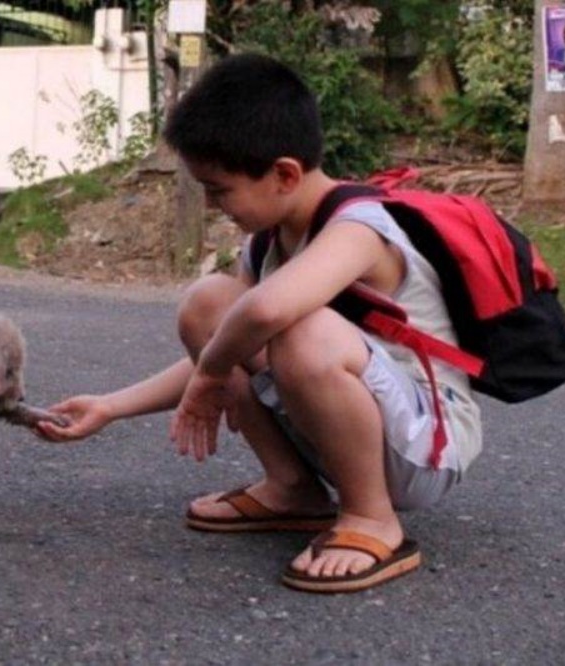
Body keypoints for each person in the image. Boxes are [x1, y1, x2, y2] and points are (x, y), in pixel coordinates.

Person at [34, 53, 483, 593]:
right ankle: (294, 488)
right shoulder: (268, 244)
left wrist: (211, 372)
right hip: (354, 429)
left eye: (219, 189)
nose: (211, 203)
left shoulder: (360, 229)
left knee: (298, 328)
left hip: (425, 446)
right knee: (209, 306)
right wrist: (111, 407)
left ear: (284, 174)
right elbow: (224, 341)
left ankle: (371, 518)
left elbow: (267, 317)